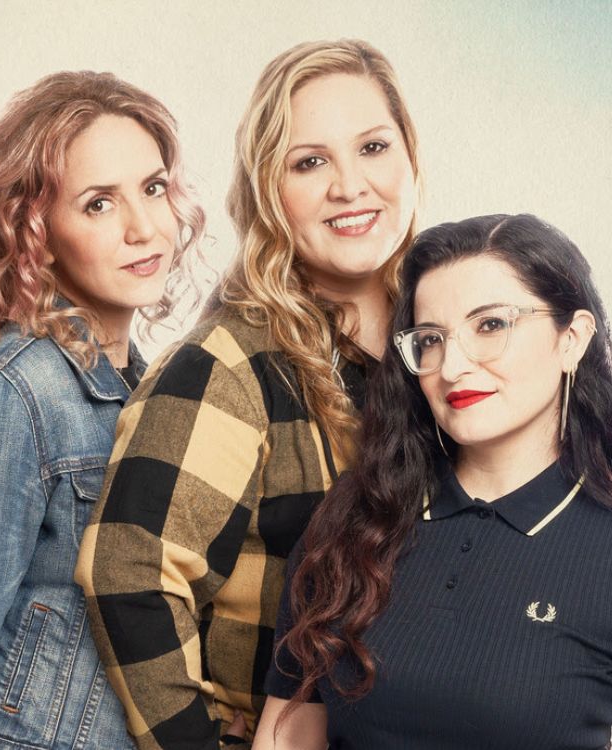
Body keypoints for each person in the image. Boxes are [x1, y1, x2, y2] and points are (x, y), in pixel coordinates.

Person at [256, 214, 612, 749]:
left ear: (572, 338)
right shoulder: (351, 523)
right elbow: (286, 739)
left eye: (491, 325)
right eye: (431, 339)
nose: (452, 366)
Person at [75, 39, 420, 748]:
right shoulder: (232, 361)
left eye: (374, 147)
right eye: (310, 161)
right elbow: (127, 569)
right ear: (268, 189)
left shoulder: (445, 345)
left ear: (411, 157)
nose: (350, 185)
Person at [0, 71, 205, 750]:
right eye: (98, 204)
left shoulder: (148, 393)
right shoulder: (14, 394)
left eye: (152, 188)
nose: (143, 227)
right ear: (34, 229)